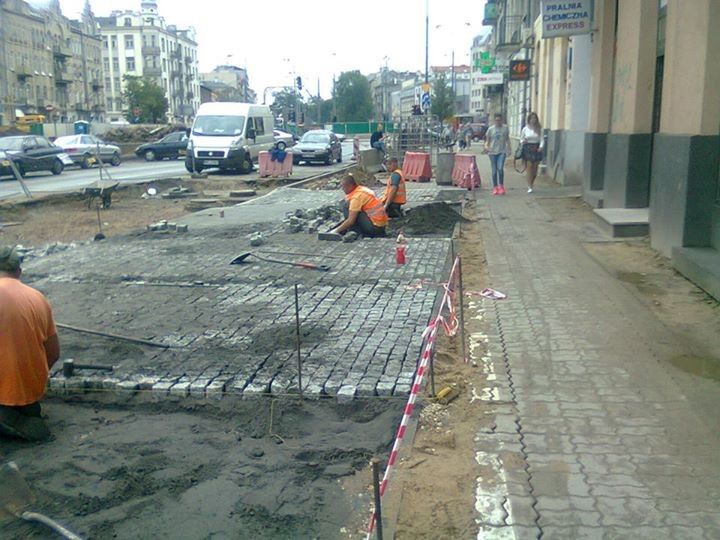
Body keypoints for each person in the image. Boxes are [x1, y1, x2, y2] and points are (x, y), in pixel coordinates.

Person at [0, 246, 60, 441]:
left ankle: (8, 416)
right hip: (32, 392)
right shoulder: (38, 298)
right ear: (19, 271)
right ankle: (24, 410)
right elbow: (54, 353)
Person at [484, 113, 512, 195]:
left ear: (501, 120)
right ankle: (495, 187)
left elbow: (507, 139)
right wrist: (486, 146)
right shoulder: (490, 129)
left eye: (499, 120)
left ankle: (501, 186)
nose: (498, 122)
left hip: (501, 151)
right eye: (496, 120)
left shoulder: (505, 128)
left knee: (500, 168)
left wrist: (509, 149)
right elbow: (487, 141)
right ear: (494, 121)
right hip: (492, 152)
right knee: (494, 170)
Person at [520, 112, 544, 193]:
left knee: (535, 168)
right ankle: (529, 186)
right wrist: (523, 141)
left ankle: (532, 181)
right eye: (531, 118)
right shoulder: (525, 129)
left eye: (534, 118)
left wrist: (541, 146)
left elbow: (542, 139)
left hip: (537, 148)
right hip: (528, 148)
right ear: (529, 119)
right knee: (529, 167)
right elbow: (521, 139)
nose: (533, 120)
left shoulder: (539, 129)